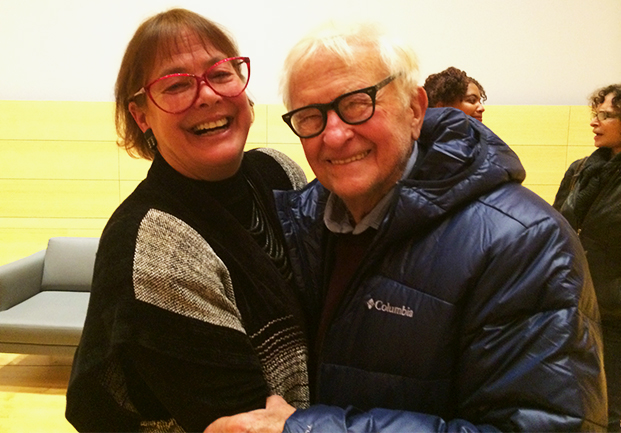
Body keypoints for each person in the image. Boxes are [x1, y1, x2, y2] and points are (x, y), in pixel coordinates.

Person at [204, 22, 607, 432]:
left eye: (358, 104)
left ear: (415, 109)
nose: (336, 134)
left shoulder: (525, 242)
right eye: (311, 116)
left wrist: (311, 429)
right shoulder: (302, 225)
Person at [65, 8, 310, 432]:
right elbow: (251, 425)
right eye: (176, 84)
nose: (208, 95)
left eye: (220, 73)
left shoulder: (280, 171)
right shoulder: (155, 247)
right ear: (142, 116)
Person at [553, 84, 621, 432]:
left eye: (606, 115)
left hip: (615, 315)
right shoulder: (580, 169)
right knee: (577, 403)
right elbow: (556, 225)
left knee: (613, 411)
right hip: (575, 305)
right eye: (594, 114)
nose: (595, 122)